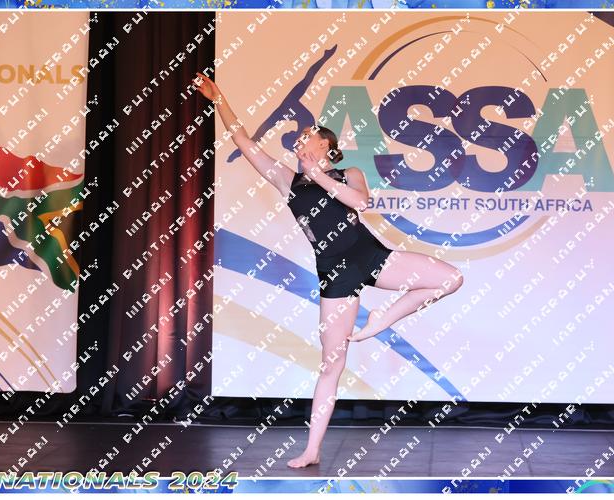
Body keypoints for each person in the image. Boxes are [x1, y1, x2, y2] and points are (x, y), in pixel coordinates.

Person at [192, 72, 464, 468]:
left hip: (371, 256)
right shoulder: (288, 181)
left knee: (451, 278)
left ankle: (380, 321)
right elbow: (244, 141)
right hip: (335, 273)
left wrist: (318, 174)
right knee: (331, 365)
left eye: (308, 134)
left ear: (326, 145)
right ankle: (312, 449)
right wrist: (219, 98)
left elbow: (360, 203)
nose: (299, 138)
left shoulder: (348, 173)